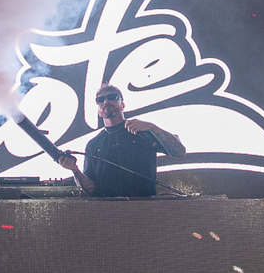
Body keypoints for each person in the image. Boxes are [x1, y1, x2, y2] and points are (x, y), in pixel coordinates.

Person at [57, 83, 185, 197]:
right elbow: (91, 190)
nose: (106, 101)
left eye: (112, 97)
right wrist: (75, 170)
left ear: (123, 105)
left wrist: (153, 128)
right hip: (108, 211)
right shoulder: (93, 145)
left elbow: (179, 151)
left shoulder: (142, 131)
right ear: (98, 111)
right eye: (100, 99)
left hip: (145, 208)